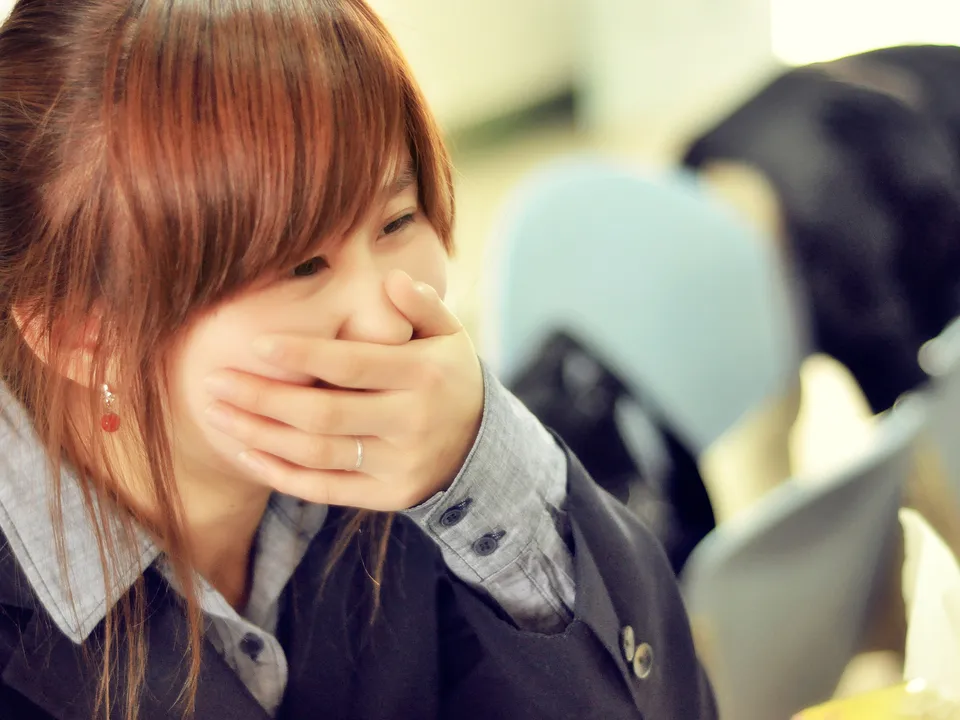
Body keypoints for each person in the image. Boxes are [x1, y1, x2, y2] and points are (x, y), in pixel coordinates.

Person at [0, 1, 716, 718]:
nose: (385, 322)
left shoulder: (420, 444)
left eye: (397, 220)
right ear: (79, 334)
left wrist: (482, 468)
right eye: (301, 265)